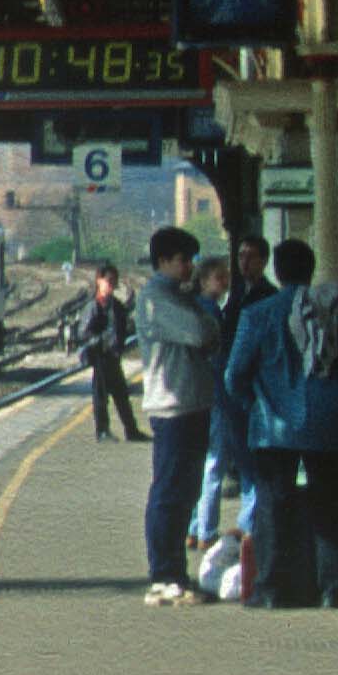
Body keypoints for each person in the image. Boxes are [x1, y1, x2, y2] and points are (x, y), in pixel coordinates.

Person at [218, 237, 338, 608]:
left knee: (273, 504)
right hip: (331, 425)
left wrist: (255, 405)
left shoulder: (258, 314)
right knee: (332, 503)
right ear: (312, 268)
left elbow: (233, 375)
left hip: (273, 428)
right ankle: (333, 587)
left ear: (277, 270)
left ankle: (272, 589)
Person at [128, 227, 220, 603]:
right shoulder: (156, 298)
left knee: (185, 493)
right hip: (173, 406)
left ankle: (175, 572)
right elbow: (203, 332)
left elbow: (214, 330)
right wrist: (205, 315)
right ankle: (163, 574)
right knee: (169, 492)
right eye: (184, 260)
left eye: (192, 260)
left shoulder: (179, 296)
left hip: (192, 403)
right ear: (163, 261)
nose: (189, 267)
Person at [78, 264, 141, 439]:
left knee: (122, 395)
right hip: (100, 357)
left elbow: (125, 328)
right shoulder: (93, 306)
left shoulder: (117, 306)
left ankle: (131, 430)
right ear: (99, 281)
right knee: (101, 396)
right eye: (108, 280)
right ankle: (103, 431)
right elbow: (82, 333)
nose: (112, 284)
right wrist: (99, 340)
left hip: (113, 356)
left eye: (114, 280)